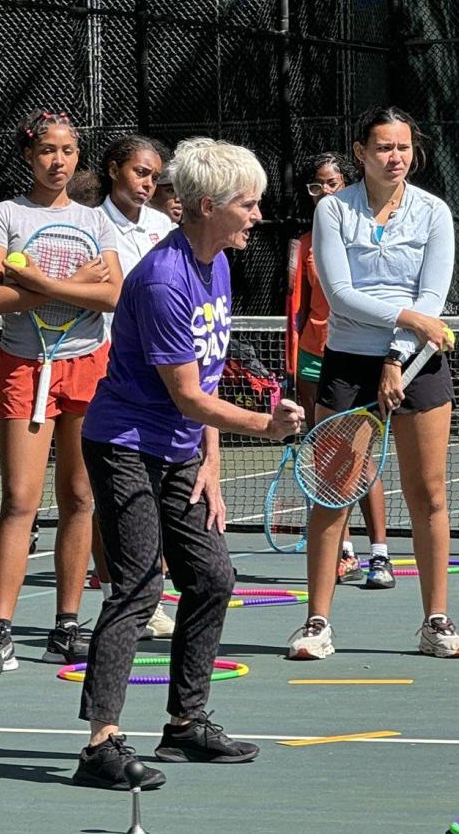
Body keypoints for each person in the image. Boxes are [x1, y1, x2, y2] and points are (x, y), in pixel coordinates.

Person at [73, 137, 303, 789]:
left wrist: (211, 461)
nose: (258, 215)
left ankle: (185, 722)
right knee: (139, 585)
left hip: (177, 449)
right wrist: (266, 424)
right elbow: (187, 393)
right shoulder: (165, 278)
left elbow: (205, 373)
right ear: (208, 206)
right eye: (248, 204)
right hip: (123, 444)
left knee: (212, 574)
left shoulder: (219, 264)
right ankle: (100, 744)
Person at [287, 107, 459, 661]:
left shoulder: (434, 212)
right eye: (383, 147)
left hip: (419, 365)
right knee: (333, 493)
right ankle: (316, 624)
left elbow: (433, 297)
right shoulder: (333, 212)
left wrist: (397, 354)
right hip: (346, 363)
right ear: (359, 153)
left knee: (428, 494)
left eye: (404, 147)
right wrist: (406, 321)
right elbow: (340, 295)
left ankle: (436, 622)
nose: (395, 157)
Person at [0, 111, 122, 674]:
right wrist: (75, 287)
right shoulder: (3, 215)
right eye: (47, 152)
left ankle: (66, 625)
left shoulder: (97, 220)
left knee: (81, 499)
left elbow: (113, 296)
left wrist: (33, 281)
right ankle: (0, 631)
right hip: (25, 365)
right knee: (19, 500)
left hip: (88, 365)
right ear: (28, 156)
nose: (58, 161)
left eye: (67, 150)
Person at [287, 152, 393, 588]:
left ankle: (380, 555)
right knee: (326, 458)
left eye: (332, 184)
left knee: (362, 457)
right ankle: (343, 551)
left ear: (347, 185)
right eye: (317, 186)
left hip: (359, 357)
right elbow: (295, 308)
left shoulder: (368, 233)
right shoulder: (303, 243)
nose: (325, 192)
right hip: (314, 359)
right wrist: (293, 365)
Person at [95, 134, 179, 640]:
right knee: (106, 495)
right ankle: (121, 597)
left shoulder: (165, 227)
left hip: (159, 375)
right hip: (105, 367)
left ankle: (151, 594)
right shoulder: (91, 223)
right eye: (139, 173)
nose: (147, 183)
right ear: (113, 171)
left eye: (153, 176)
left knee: (158, 487)